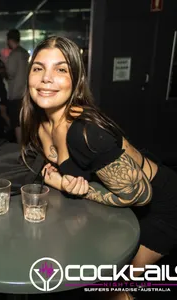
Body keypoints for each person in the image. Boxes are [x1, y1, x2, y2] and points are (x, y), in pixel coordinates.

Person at [20, 36, 177, 300]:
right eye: (38, 68)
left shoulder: (85, 132)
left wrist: (79, 189)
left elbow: (140, 195)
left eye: (61, 69)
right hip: (116, 211)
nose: (46, 78)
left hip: (161, 205)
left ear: (77, 79)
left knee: (112, 290)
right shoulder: (40, 123)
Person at [6, 29, 30, 143]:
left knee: (16, 122)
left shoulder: (14, 54)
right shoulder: (25, 53)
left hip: (15, 92)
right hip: (26, 91)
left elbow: (10, 73)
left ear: (10, 40)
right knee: (26, 121)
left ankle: (20, 147)